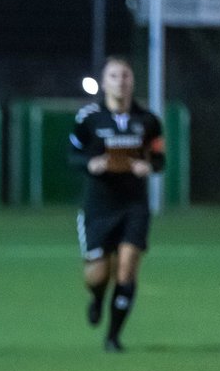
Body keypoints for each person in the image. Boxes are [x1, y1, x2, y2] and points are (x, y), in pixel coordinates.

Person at [68, 55, 166, 352]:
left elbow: (160, 159)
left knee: (126, 269)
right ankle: (98, 297)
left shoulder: (148, 121)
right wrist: (91, 163)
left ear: (132, 81)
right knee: (98, 274)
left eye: (125, 76)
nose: (120, 82)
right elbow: (71, 155)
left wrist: (149, 167)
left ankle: (113, 337)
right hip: (99, 207)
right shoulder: (89, 118)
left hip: (134, 205)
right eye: (114, 76)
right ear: (104, 82)